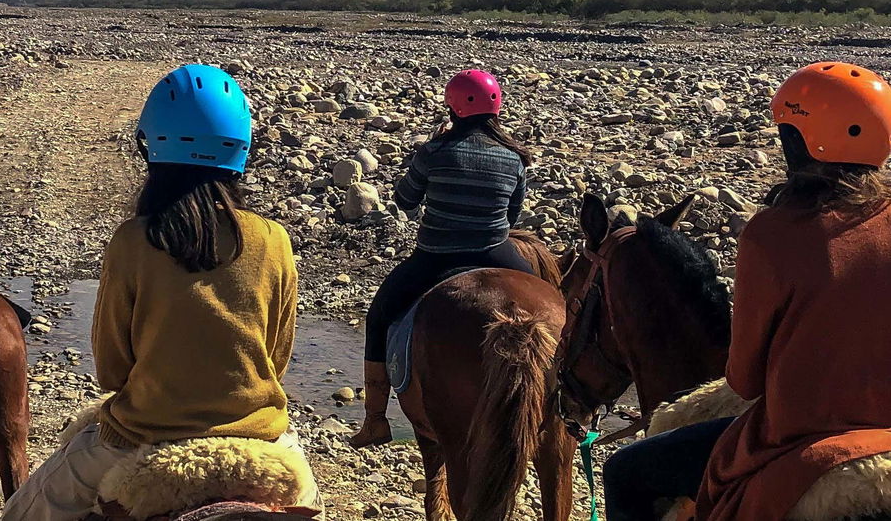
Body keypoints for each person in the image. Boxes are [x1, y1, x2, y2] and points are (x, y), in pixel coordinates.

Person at [1, 64, 321, 520]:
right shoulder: (274, 239)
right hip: (261, 437)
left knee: (24, 511)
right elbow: (278, 355)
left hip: (143, 435)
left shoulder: (133, 240)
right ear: (241, 149)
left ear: (152, 147)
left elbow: (111, 369)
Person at [604, 61, 891, 521]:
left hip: (805, 440)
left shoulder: (771, 235)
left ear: (798, 143)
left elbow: (744, 379)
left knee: (626, 472)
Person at [350, 68, 535, 448]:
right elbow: (512, 217)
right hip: (496, 252)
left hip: (436, 256)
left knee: (380, 314)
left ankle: (375, 420)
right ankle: (567, 402)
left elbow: (405, 200)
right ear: (497, 108)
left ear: (452, 107)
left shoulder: (434, 151)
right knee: (554, 302)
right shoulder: (514, 158)